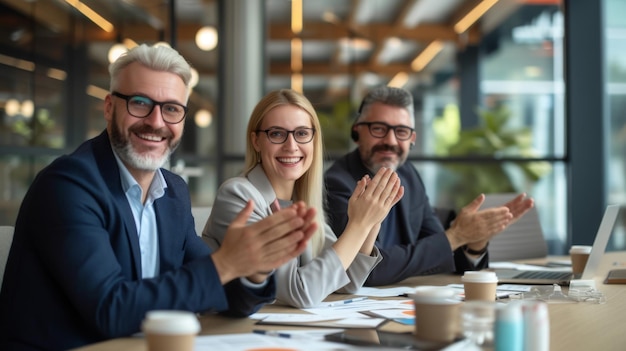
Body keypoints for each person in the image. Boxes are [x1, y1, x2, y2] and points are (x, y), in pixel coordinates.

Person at [0, 44, 317, 351]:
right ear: (109, 107)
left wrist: (254, 268)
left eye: (171, 109)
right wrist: (226, 263)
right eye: (140, 103)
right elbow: (112, 310)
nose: (155, 121)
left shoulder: (173, 192)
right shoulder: (68, 185)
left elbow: (223, 295)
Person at [202, 89, 403, 308]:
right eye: (277, 134)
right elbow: (300, 292)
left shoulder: (303, 200)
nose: (291, 146)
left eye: (301, 133)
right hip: (232, 332)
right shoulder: (238, 195)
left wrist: (372, 221)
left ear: (313, 140)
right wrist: (358, 224)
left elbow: (348, 280)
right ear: (256, 141)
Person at [324, 86, 534, 286]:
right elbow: (368, 270)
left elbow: (438, 248)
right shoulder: (338, 184)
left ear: (412, 139)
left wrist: (474, 242)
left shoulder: (408, 175)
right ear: (357, 131)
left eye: (401, 131)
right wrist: (455, 236)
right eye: (378, 129)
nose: (391, 141)